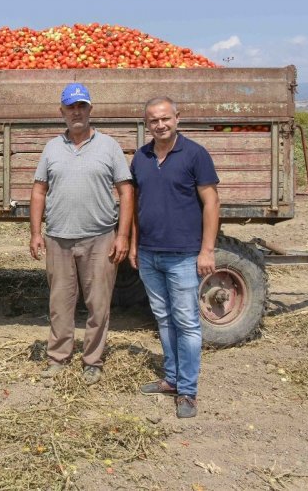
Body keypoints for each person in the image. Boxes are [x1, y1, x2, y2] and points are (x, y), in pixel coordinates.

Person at [29, 83, 133, 385]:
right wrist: (36, 232)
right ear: (61, 111)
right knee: (60, 303)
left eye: (81, 106)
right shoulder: (52, 148)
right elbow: (39, 191)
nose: (76, 112)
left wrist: (122, 235)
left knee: (98, 303)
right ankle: (58, 357)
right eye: (71, 107)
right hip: (58, 238)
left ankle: (92, 360)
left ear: (90, 110)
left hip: (100, 238)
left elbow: (126, 192)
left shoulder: (109, 146)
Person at [129, 96, 220, 419]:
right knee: (164, 319)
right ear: (146, 124)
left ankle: (188, 391)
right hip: (151, 253)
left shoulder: (195, 154)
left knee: (187, 322)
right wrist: (135, 245)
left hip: (184, 254)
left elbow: (211, 202)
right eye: (153, 120)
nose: (160, 125)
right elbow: (137, 205)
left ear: (177, 118)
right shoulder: (141, 157)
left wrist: (206, 250)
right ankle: (171, 378)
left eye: (165, 118)